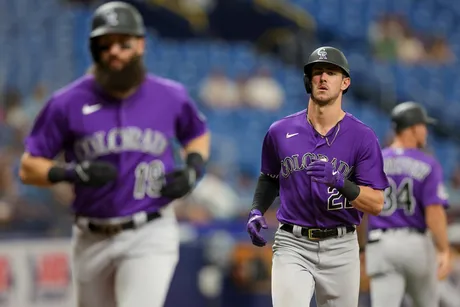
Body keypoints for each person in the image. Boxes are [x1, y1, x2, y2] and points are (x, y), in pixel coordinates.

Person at [18, 2, 210, 307]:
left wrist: (192, 170)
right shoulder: (66, 102)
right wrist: (71, 173)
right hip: (91, 235)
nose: (115, 51)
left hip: (149, 231)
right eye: (105, 44)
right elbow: (28, 167)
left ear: (141, 44)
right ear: (94, 49)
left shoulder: (170, 96)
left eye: (124, 43)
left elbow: (196, 134)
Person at [245, 46, 389, 307]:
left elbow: (377, 203)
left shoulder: (362, 137)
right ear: (307, 81)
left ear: (345, 82)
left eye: (331, 73)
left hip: (341, 244)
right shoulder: (279, 131)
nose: (323, 78)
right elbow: (269, 177)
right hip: (292, 243)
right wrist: (256, 209)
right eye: (317, 72)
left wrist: (341, 183)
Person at [363, 101, 451, 307]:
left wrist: (361, 247)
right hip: (415, 245)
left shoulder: (374, 162)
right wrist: (443, 249)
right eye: (423, 126)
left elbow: (362, 206)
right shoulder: (428, 163)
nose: (426, 130)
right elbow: (434, 212)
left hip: (381, 244)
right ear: (413, 128)